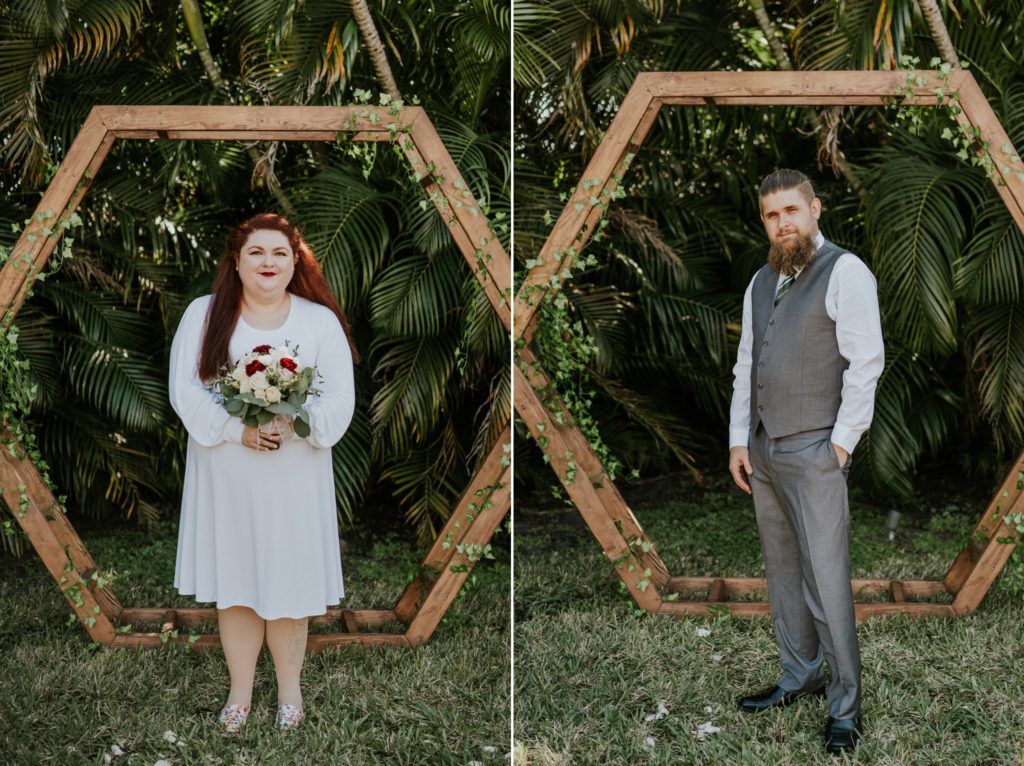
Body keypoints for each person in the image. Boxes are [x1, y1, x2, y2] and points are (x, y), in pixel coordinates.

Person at [168, 213, 358, 733]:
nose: (267, 262)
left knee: (290, 581)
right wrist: (239, 431)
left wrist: (295, 421)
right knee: (238, 582)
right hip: (228, 474)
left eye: (278, 253)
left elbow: (341, 398)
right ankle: (240, 693)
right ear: (237, 260)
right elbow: (185, 393)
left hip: (295, 475)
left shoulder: (319, 322)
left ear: (295, 261)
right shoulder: (204, 316)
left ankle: (290, 695)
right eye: (256, 252)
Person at [727, 169, 884, 755]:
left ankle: (845, 706)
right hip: (765, 450)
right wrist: (741, 439)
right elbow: (747, 363)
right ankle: (800, 676)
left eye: (792, 210)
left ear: (815, 209)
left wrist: (840, 445)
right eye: (771, 215)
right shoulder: (759, 282)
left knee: (826, 580)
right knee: (783, 571)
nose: (782, 223)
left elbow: (866, 362)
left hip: (817, 448)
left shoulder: (846, 271)